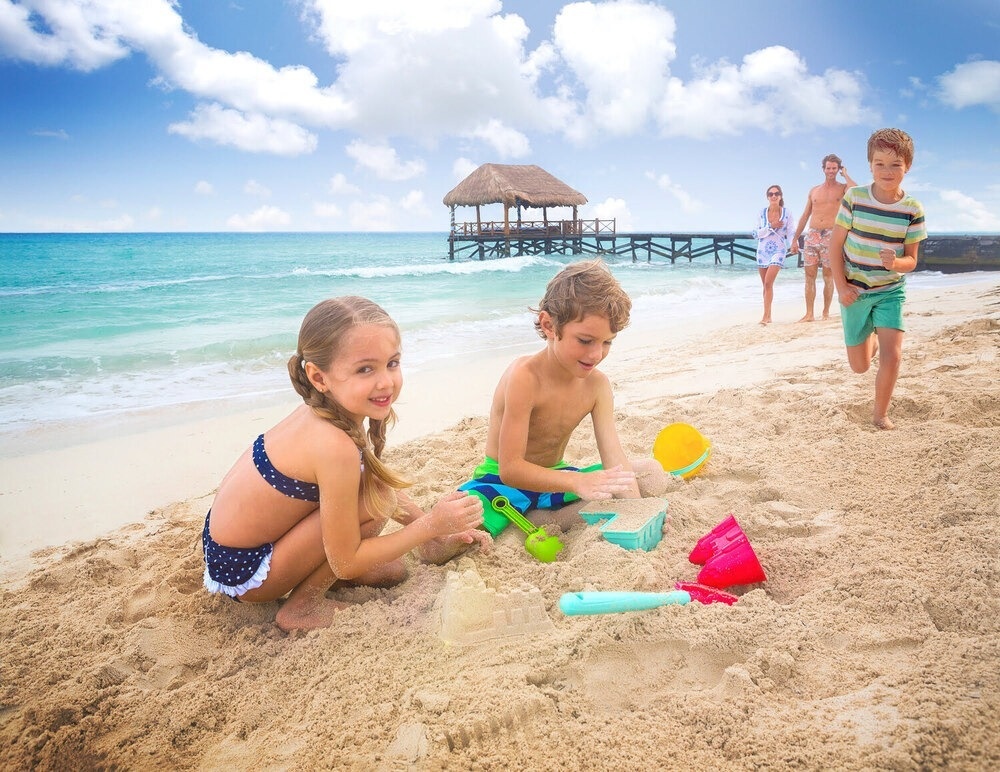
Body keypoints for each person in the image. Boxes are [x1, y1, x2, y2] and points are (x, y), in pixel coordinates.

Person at [202, 296, 489, 631]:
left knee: (390, 556)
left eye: (392, 363)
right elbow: (347, 560)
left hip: (226, 553)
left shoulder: (324, 408)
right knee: (373, 504)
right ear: (318, 377)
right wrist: (429, 526)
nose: (385, 381)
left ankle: (426, 547)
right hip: (246, 571)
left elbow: (371, 480)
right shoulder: (333, 445)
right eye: (365, 369)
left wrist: (428, 531)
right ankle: (302, 607)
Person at [458, 260, 669, 539]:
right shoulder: (525, 378)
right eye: (585, 341)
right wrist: (577, 481)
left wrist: (637, 511)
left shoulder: (597, 386)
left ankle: (547, 518)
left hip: (555, 479)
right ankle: (543, 514)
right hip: (500, 484)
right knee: (446, 541)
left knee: (651, 474)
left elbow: (614, 458)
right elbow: (510, 469)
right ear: (549, 325)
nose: (596, 354)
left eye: (607, 342)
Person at [828, 128, 927, 430]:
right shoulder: (855, 198)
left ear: (907, 166)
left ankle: (880, 414)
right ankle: (868, 335)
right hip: (854, 291)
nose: (887, 171)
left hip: (889, 290)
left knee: (892, 356)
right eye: (880, 163)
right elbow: (835, 245)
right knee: (859, 367)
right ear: (870, 165)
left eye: (896, 164)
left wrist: (895, 262)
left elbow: (911, 260)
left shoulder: (912, 209)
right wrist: (841, 287)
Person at [790, 154, 857, 321]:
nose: (831, 171)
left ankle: (825, 313)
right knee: (809, 276)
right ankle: (809, 314)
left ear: (838, 169)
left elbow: (856, 190)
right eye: (828, 168)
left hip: (831, 235)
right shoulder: (814, 190)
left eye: (834, 168)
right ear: (823, 169)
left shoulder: (843, 188)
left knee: (828, 276)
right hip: (812, 235)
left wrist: (845, 174)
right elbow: (805, 215)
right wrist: (795, 238)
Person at [754, 184, 795, 325]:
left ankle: (765, 317)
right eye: (771, 194)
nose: (774, 196)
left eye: (776, 193)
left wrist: (794, 243)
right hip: (762, 251)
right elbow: (756, 233)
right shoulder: (761, 213)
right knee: (765, 286)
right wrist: (771, 226)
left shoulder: (787, 213)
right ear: (767, 197)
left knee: (768, 282)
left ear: (780, 196)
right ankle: (768, 315)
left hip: (779, 250)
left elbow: (790, 232)